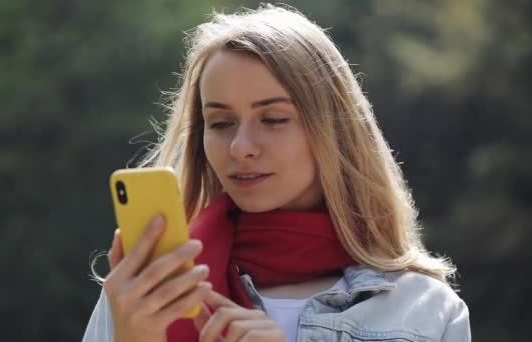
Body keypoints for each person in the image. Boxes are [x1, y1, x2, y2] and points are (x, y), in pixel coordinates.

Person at [83, 4, 471, 342]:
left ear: (332, 131)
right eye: (219, 123)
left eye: (273, 118)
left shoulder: (425, 312)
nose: (240, 146)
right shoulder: (144, 294)